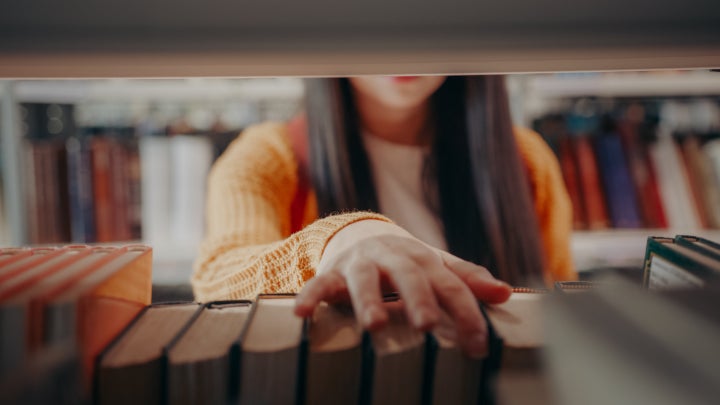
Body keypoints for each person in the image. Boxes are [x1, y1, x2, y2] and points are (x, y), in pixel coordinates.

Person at [191, 75, 575, 357]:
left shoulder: (527, 160)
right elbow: (216, 281)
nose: (404, 43)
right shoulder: (267, 156)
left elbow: (560, 305)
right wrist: (340, 239)